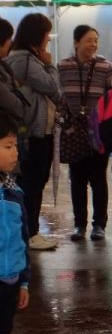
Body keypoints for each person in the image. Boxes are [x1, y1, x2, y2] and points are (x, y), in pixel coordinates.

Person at [4, 13, 63, 251]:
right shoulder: (25, 60)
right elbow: (54, 89)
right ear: (37, 35)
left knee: (34, 181)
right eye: (46, 34)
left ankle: (29, 231)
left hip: (38, 131)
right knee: (32, 182)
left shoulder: (26, 59)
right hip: (33, 133)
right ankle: (30, 232)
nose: (48, 38)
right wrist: (50, 64)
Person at [57, 26, 112, 241]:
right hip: (73, 132)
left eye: (96, 40)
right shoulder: (63, 66)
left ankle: (99, 224)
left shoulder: (105, 66)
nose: (93, 44)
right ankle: (79, 225)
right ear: (76, 42)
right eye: (89, 40)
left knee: (99, 179)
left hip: (97, 133)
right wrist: (66, 124)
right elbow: (58, 97)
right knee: (77, 179)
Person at [0, 113, 30, 334]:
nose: (16, 152)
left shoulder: (13, 191)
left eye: (16, 145)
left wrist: (23, 281)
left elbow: (22, 237)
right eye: (8, 146)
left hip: (8, 283)